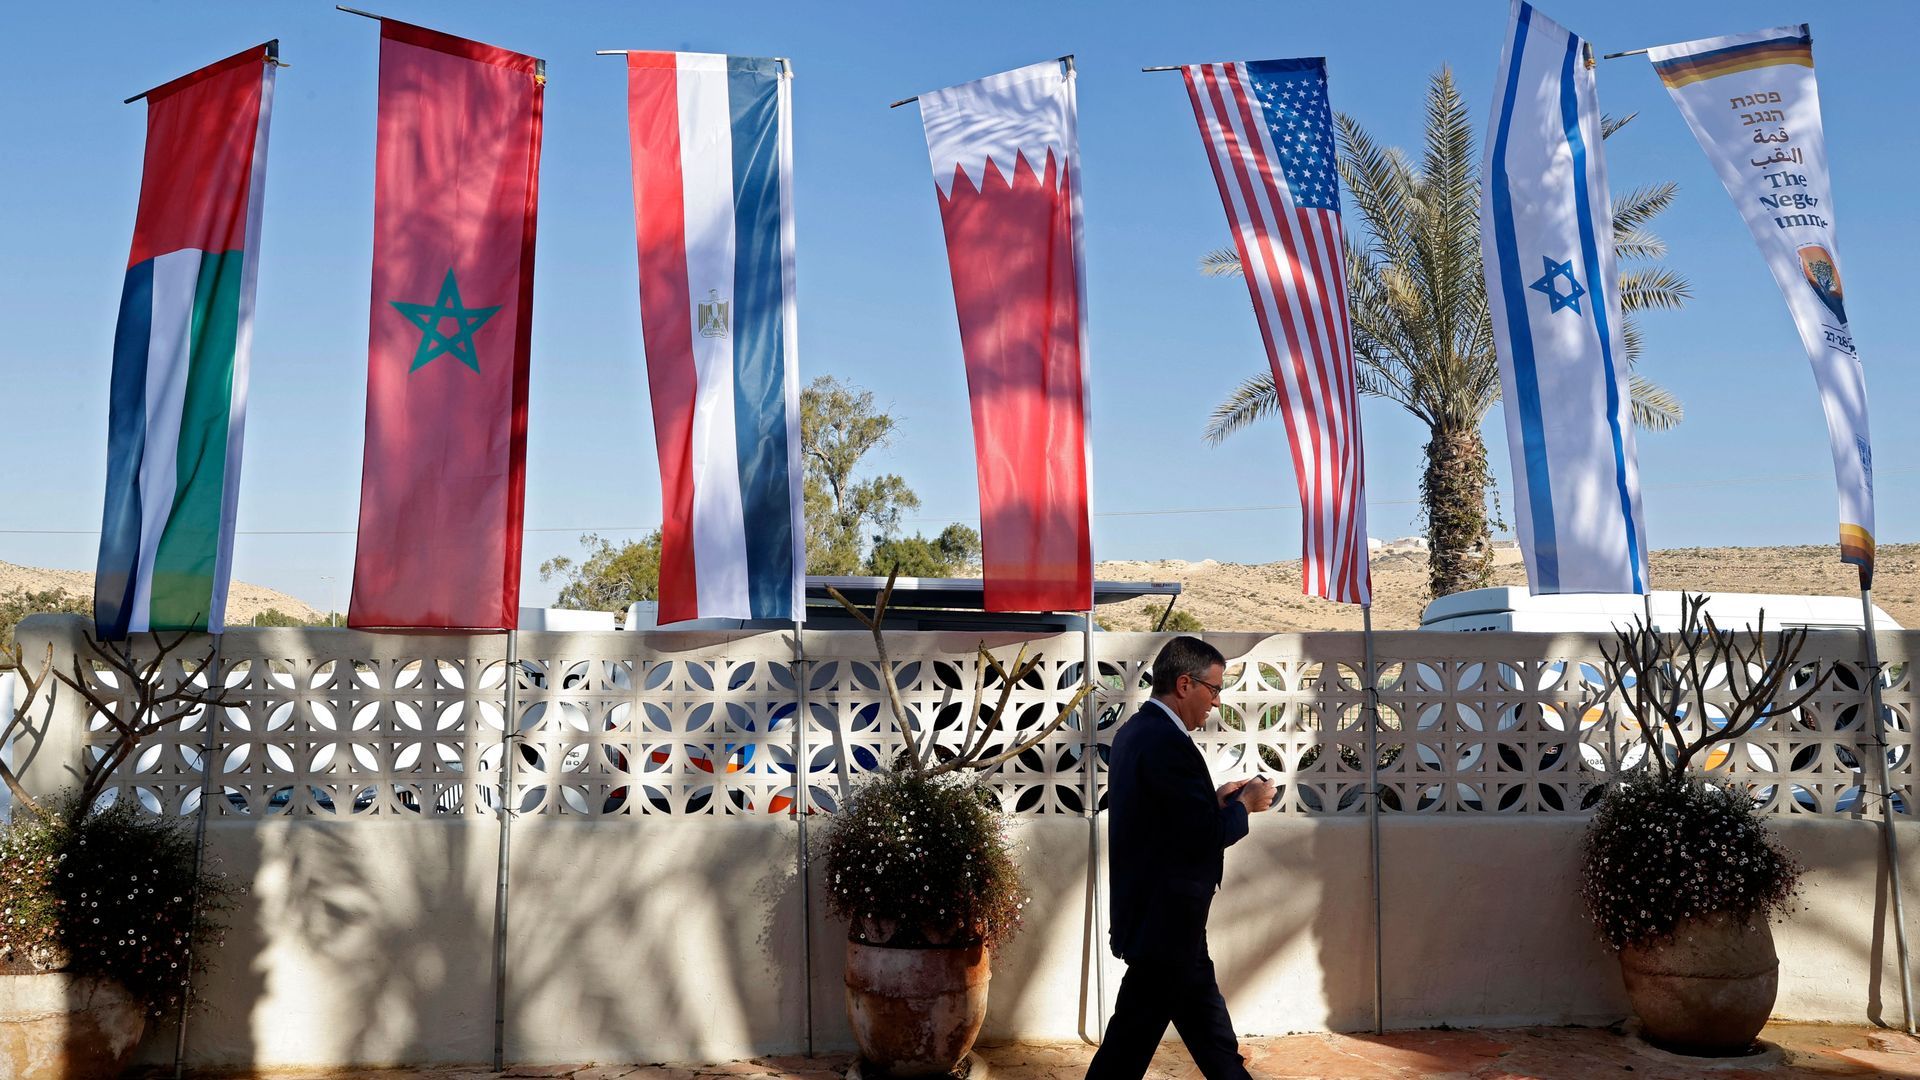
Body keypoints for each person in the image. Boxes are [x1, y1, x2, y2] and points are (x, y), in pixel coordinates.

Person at [1085, 635, 1276, 1080]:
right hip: (1166, 927)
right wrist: (1246, 805)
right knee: (1127, 1048)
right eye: (1214, 689)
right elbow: (1200, 837)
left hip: (1169, 924)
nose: (1216, 701)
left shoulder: (1139, 731)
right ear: (1185, 684)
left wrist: (1216, 799)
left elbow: (1166, 820)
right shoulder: (1166, 742)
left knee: (1211, 1043)